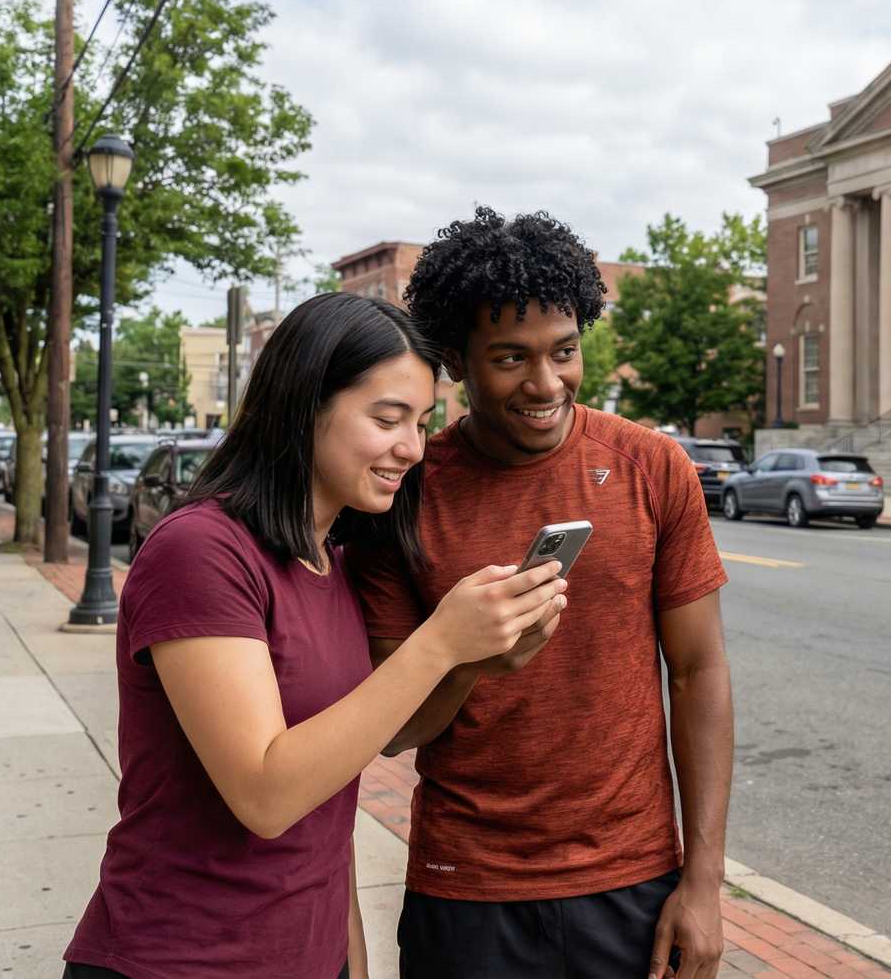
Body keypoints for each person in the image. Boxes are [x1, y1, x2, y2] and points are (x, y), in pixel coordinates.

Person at [63, 292, 566, 979]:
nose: (412, 448)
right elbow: (267, 794)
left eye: (421, 422)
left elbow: (329, 807)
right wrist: (442, 642)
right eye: (387, 419)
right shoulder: (202, 552)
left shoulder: (331, 562)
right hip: (177, 957)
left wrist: (351, 961)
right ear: (304, 405)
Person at [349, 208, 734, 979]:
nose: (546, 382)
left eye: (565, 351)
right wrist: (470, 659)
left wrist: (704, 880)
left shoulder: (651, 468)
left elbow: (699, 674)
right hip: (467, 887)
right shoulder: (405, 492)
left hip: (632, 879)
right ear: (456, 361)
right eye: (511, 359)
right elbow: (391, 730)